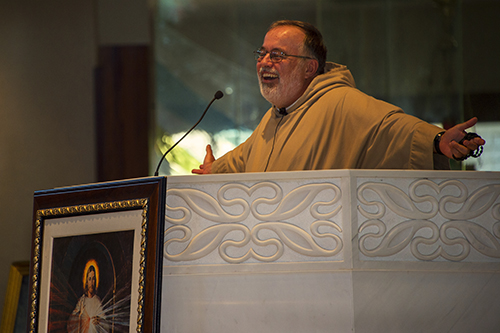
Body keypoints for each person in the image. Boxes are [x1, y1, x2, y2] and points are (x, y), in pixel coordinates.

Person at [192, 20, 485, 174]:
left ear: (310, 68)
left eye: (278, 55)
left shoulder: (339, 101)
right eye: (262, 53)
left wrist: (437, 140)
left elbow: (393, 128)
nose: (265, 61)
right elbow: (243, 159)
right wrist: (214, 169)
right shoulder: (275, 117)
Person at [68, 265, 105, 333]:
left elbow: (105, 325)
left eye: (93, 279)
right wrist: (79, 315)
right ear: (87, 282)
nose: (91, 282)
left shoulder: (97, 301)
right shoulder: (81, 301)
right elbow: (71, 322)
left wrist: (99, 321)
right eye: (90, 279)